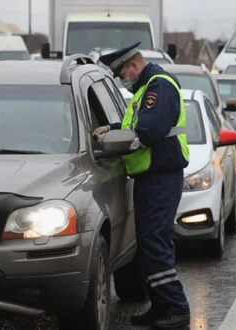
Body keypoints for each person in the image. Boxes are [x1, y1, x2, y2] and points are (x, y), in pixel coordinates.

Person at [95, 41, 191, 328]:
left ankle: (176, 307)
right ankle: (160, 306)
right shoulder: (145, 91)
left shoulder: (158, 86)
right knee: (149, 245)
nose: (124, 81)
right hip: (151, 177)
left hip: (161, 177)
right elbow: (133, 126)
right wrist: (112, 131)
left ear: (133, 65)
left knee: (156, 243)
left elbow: (148, 131)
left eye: (124, 74)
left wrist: (111, 140)